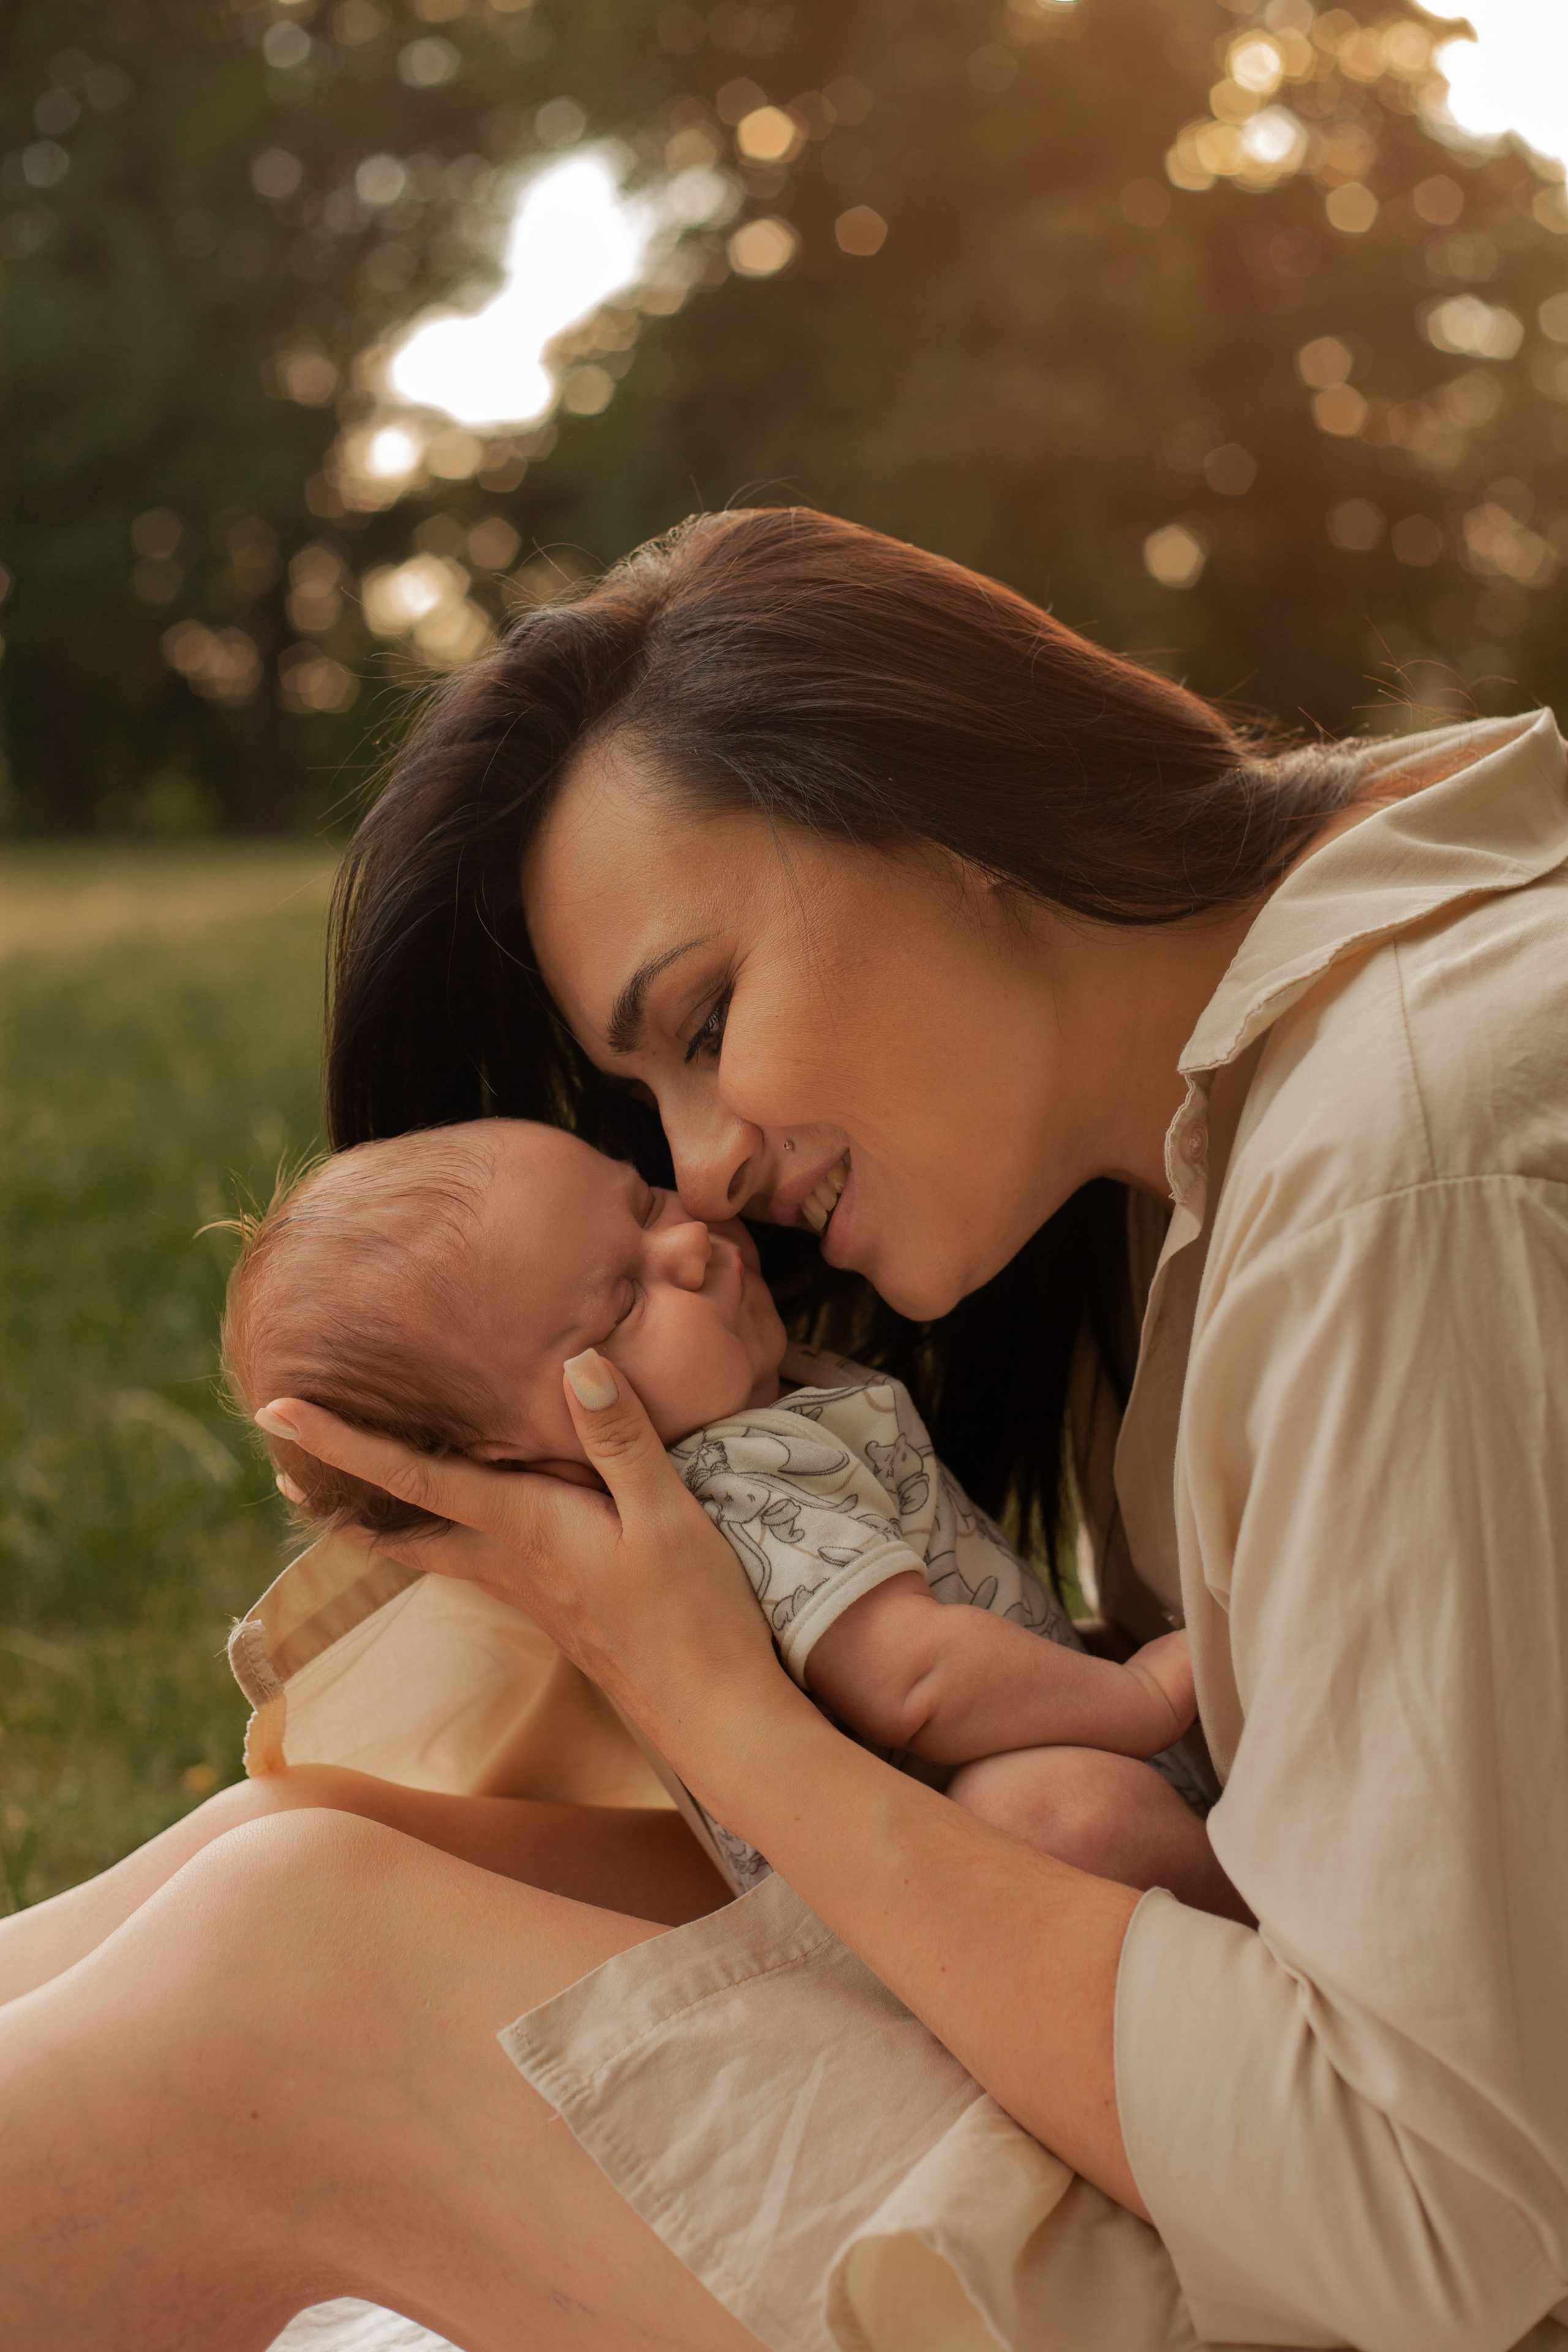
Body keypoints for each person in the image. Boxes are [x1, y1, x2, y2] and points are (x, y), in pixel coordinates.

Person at [2, 507, 1566, 2352]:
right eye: (645, 1097)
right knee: (288, 1849)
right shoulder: (1222, 1084)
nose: (701, 1174)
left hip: (1386, 2247)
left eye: (708, 1019)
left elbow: (1438, 2225)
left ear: (949, 809)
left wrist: (724, 1716)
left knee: (281, 1979)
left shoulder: (1406, 1170)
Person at [221, 1118, 1223, 1910]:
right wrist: (1135, 1695)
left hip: (1014, 1785)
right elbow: (916, 1678)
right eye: (623, 1303)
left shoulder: (746, 1400)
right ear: (524, 1462)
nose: (690, 1244)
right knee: (1055, 1814)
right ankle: (1252, 1931)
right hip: (962, 1881)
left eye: (646, 1202)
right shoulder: (733, 1489)